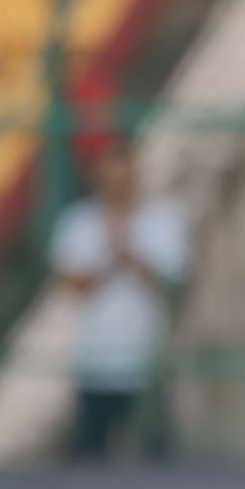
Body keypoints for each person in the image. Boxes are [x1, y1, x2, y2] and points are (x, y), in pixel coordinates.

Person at [49, 138, 190, 460]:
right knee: (91, 457)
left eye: (124, 181)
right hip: (94, 365)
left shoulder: (162, 221)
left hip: (147, 365)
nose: (119, 189)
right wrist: (110, 260)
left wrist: (130, 253)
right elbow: (72, 285)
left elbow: (174, 286)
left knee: (152, 460)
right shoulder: (79, 222)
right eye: (111, 182)